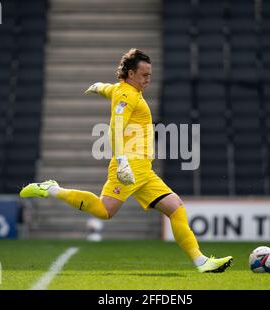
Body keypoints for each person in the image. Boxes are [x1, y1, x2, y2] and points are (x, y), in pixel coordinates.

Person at [20, 48, 233, 273]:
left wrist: (99, 87)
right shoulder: (127, 94)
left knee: (175, 207)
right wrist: (122, 162)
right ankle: (52, 189)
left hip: (144, 169)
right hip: (130, 165)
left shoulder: (125, 90)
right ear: (131, 74)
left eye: (150, 75)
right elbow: (115, 128)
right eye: (144, 75)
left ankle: (201, 262)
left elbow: (111, 90)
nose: (148, 80)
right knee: (104, 211)